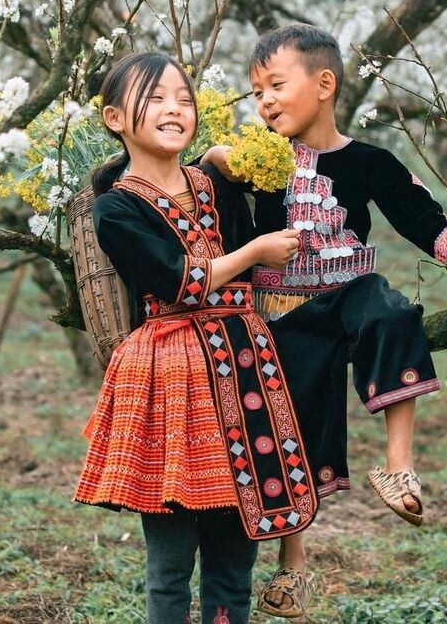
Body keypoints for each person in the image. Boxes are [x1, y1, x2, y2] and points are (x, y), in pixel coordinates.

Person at [203, 24, 447, 619]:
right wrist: (216, 157)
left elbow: (416, 211)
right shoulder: (254, 161)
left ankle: (399, 466)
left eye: (275, 85)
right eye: (255, 90)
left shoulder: (368, 161)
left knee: (393, 314)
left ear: (323, 84)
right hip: (285, 311)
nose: (263, 100)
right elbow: (195, 183)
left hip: (349, 288)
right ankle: (293, 569)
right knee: (299, 423)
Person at [73, 51, 319, 624]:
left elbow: (274, 240)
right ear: (115, 118)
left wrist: (245, 171)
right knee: (170, 568)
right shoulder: (115, 207)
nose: (173, 109)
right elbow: (181, 281)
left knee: (236, 561)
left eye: (183, 99)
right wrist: (256, 251)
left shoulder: (215, 186)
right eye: (155, 98)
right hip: (169, 376)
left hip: (244, 365)